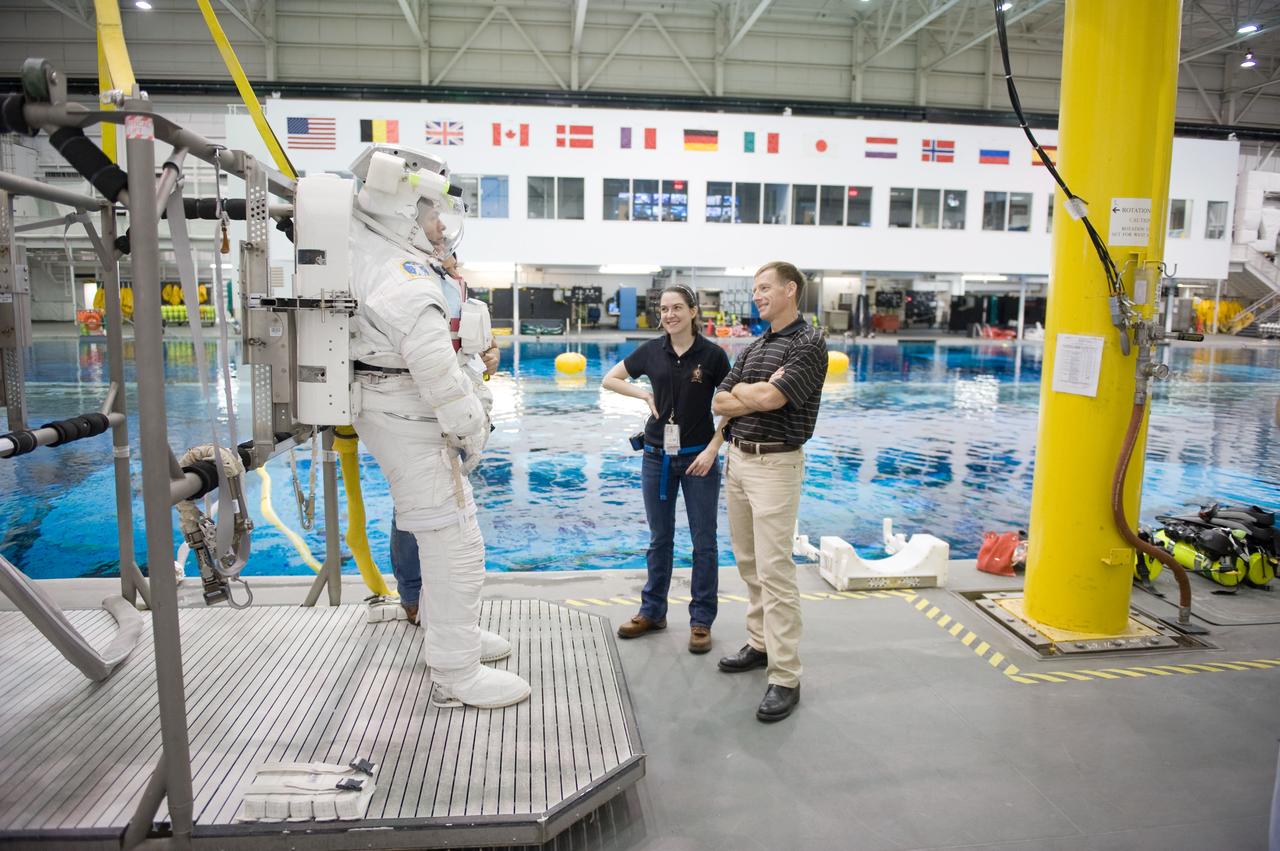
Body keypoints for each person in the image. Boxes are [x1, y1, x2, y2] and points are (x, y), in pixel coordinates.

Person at [347, 144, 529, 709]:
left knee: (445, 538)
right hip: (408, 416)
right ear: (404, 215)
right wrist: (471, 427)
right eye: (432, 215)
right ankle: (455, 675)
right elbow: (434, 369)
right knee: (455, 546)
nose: (441, 226)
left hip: (398, 411)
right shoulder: (401, 275)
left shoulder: (388, 261)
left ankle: (454, 636)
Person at [711, 261, 827, 723]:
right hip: (738, 459)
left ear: (789, 290)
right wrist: (748, 391)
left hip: (776, 464)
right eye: (755, 289)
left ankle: (785, 676)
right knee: (749, 563)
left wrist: (749, 392)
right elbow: (720, 400)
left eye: (764, 288)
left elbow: (773, 400)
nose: (757, 295)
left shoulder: (808, 343)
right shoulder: (758, 345)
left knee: (776, 571)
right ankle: (760, 645)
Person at [602, 285, 730, 654]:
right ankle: (652, 611)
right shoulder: (651, 351)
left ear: (693, 311)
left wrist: (712, 449)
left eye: (677, 308)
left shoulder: (713, 355)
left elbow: (731, 406)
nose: (669, 314)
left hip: (699, 458)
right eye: (663, 309)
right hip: (656, 456)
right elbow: (610, 378)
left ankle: (701, 620)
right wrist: (642, 394)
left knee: (704, 542)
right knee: (660, 539)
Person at [389, 251, 499, 635]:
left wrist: (491, 355)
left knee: (453, 510)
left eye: (453, 257)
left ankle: (445, 601)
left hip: (460, 413)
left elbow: (483, 345)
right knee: (415, 506)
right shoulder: (406, 287)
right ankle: (414, 594)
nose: (449, 259)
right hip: (419, 414)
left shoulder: (459, 294)